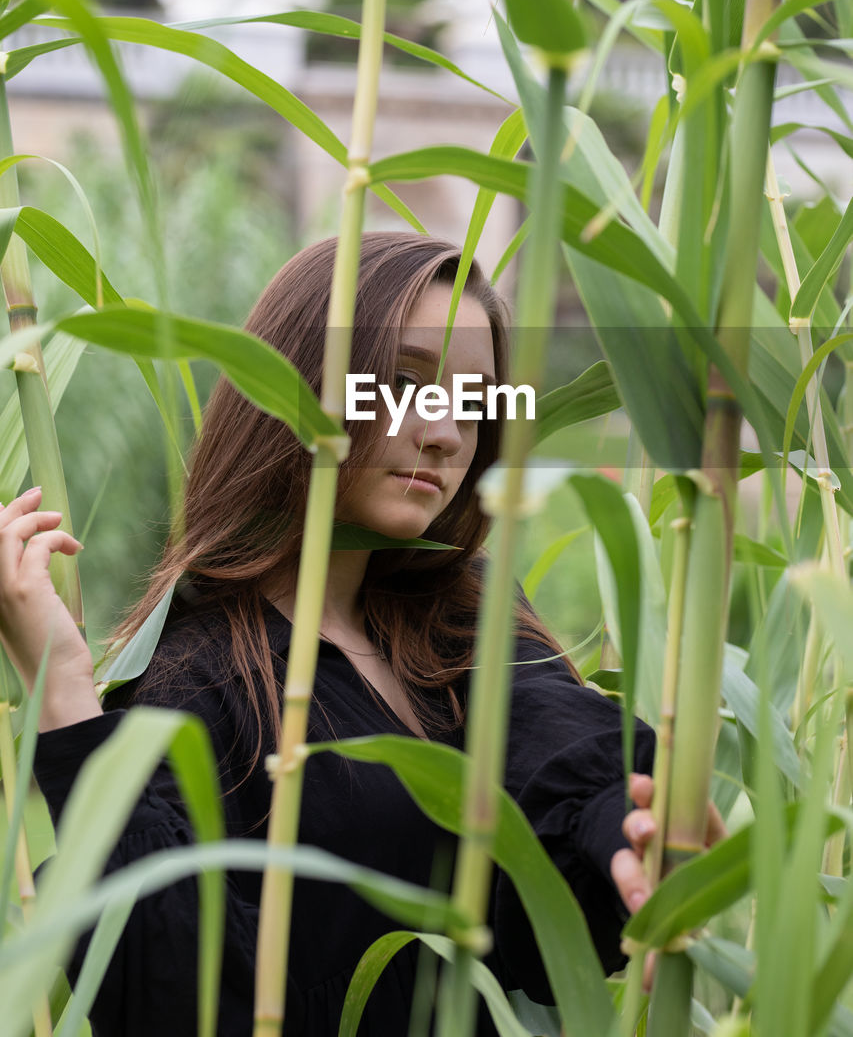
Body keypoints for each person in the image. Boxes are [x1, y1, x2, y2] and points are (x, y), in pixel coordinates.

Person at [0, 232, 705, 1036]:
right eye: (403, 383)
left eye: (472, 402)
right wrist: (62, 692)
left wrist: (631, 821)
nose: (443, 432)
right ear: (297, 391)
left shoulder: (462, 617)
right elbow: (167, 986)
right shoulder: (199, 680)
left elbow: (554, 749)